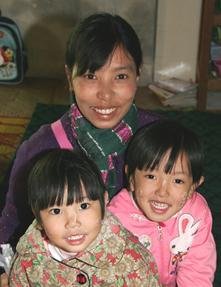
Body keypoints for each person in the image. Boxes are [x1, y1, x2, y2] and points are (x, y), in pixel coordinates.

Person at [0, 13, 159, 249]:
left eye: (121, 76)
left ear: (138, 75)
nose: (105, 94)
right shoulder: (39, 150)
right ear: (69, 76)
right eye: (91, 76)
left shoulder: (159, 138)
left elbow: (188, 216)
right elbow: (11, 227)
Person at [9, 149, 160, 286]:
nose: (73, 223)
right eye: (56, 211)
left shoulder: (133, 260)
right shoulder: (27, 261)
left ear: (104, 200)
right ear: (38, 216)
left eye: (83, 206)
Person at [108, 119, 217, 287]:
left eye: (178, 181)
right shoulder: (115, 218)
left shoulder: (196, 213)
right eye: (151, 177)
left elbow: (198, 268)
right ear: (131, 178)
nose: (162, 192)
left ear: (193, 187)